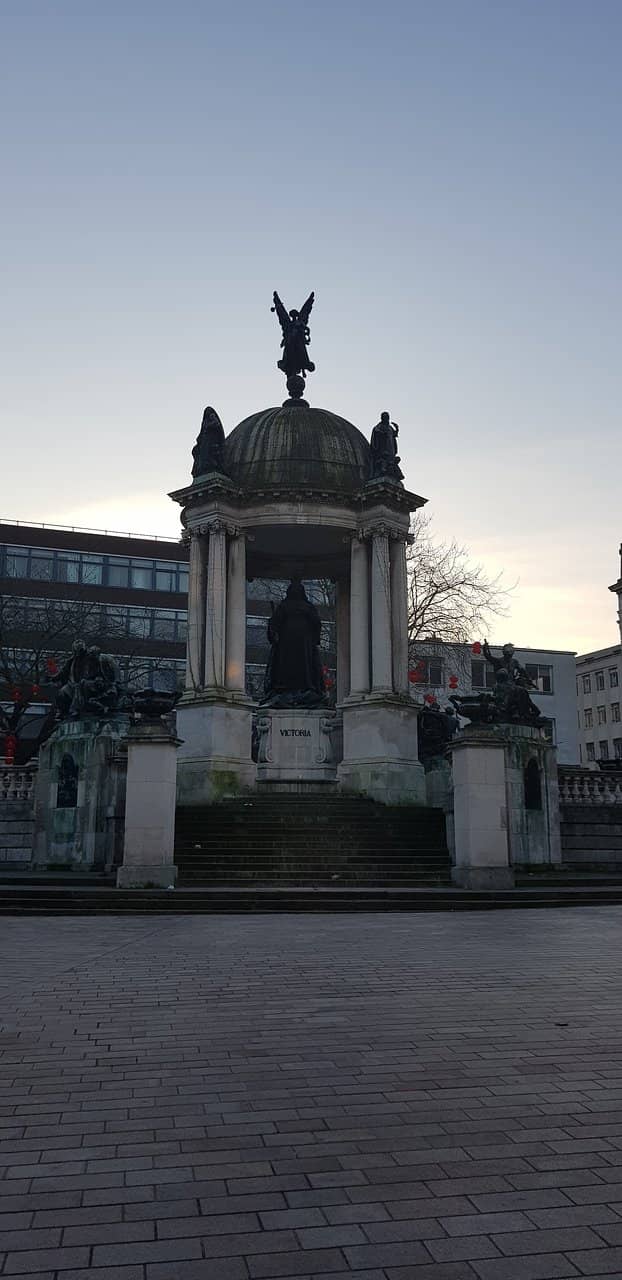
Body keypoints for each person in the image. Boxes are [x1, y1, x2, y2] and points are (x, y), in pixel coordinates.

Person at [262, 580, 325, 706]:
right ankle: (306, 687)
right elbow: (317, 624)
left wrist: (273, 635)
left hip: (286, 646)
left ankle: (285, 688)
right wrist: (315, 640)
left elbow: (274, 625)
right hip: (305, 646)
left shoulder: (284, 606)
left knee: (285, 665)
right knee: (306, 666)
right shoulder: (308, 607)